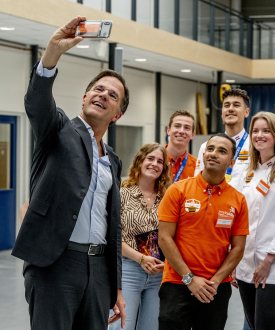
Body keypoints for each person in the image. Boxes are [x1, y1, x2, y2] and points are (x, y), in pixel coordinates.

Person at [12, 17, 129, 329]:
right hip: (55, 263)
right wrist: (53, 51)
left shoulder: (113, 160)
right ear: (85, 97)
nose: (102, 95)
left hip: (98, 269)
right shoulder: (59, 129)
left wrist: (115, 286)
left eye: (112, 95)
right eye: (98, 89)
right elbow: (37, 102)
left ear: (117, 114)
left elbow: (112, 226)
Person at [157, 133, 249, 329]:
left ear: (231, 161)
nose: (214, 154)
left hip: (215, 289)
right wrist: (189, 278)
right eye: (210, 149)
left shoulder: (238, 200)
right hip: (177, 283)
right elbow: (164, 238)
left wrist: (215, 282)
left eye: (222, 151)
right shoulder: (177, 190)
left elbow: (238, 248)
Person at [234, 112, 275, 330]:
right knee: (253, 325)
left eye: (266, 131)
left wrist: (267, 261)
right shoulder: (248, 172)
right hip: (245, 263)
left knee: (264, 326)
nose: (259, 135)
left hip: (271, 266)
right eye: (255, 131)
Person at [109, 143, 170, 330]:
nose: (154, 164)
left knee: (151, 327)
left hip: (158, 274)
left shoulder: (167, 197)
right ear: (140, 161)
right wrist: (140, 258)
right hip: (128, 270)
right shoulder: (122, 193)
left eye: (160, 161)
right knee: (121, 326)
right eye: (150, 159)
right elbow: (113, 236)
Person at [195, 88, 251, 186]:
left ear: (246, 112)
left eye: (236, 105)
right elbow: (198, 182)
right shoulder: (206, 147)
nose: (230, 109)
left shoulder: (254, 146)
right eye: (226, 105)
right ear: (222, 113)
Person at [165, 110, 197, 182]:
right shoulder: (154, 160)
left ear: (192, 134)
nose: (181, 131)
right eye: (177, 126)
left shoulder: (197, 167)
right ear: (168, 130)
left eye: (187, 128)